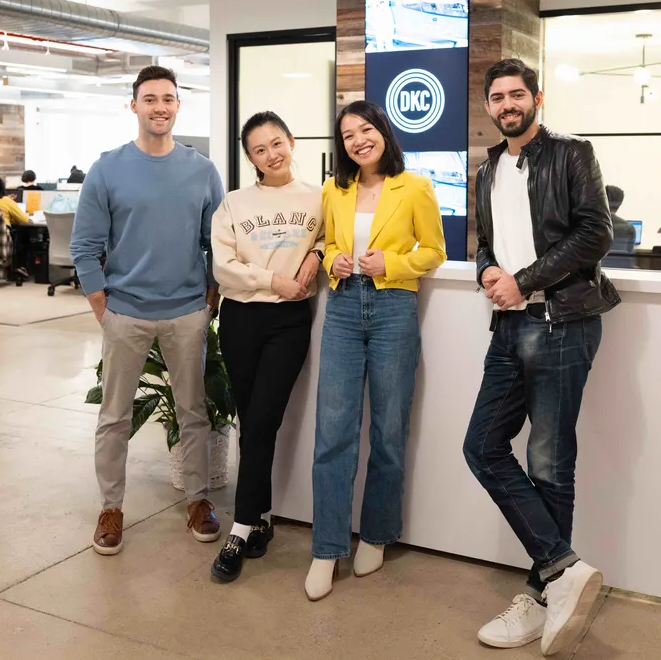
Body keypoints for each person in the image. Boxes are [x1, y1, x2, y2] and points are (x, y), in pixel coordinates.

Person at [463, 58, 619, 656]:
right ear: (488, 107)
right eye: (497, 96)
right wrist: (487, 270)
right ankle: (561, 569)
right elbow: (483, 243)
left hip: (560, 321)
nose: (508, 104)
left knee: (550, 461)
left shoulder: (571, 153)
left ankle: (543, 591)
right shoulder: (486, 171)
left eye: (517, 94)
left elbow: (593, 234)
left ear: (537, 98)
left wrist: (524, 280)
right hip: (506, 328)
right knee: (481, 446)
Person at [71, 65, 225, 557]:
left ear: (178, 106)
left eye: (169, 98)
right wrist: (104, 307)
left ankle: (198, 500)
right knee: (114, 417)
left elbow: (216, 243)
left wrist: (210, 298)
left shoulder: (202, 170)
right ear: (133, 105)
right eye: (150, 98)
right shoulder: (107, 169)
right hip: (126, 313)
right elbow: (84, 246)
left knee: (194, 413)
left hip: (186, 313)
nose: (160, 106)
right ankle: (111, 508)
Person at [305, 100, 446, 601]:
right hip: (343, 310)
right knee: (334, 431)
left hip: (393, 309)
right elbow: (322, 243)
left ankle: (378, 534)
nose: (358, 140)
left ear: (383, 132)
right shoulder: (333, 189)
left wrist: (389, 261)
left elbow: (434, 252)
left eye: (366, 130)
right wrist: (332, 261)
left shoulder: (417, 188)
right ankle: (326, 546)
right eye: (348, 135)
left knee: (388, 430)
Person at [208, 111, 324, 583]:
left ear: (291, 141)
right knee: (251, 423)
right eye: (260, 149)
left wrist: (315, 255)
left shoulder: (319, 197)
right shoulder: (234, 203)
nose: (271, 154)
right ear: (250, 157)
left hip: (288, 322)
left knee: (262, 420)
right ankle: (263, 518)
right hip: (240, 319)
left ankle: (237, 530)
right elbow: (224, 266)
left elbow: (333, 239)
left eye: (277, 143)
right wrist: (272, 278)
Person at [605, 185, 636, 254]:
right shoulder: (629, 229)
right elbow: (629, 256)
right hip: (620, 264)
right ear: (620, 203)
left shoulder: (590, 225)